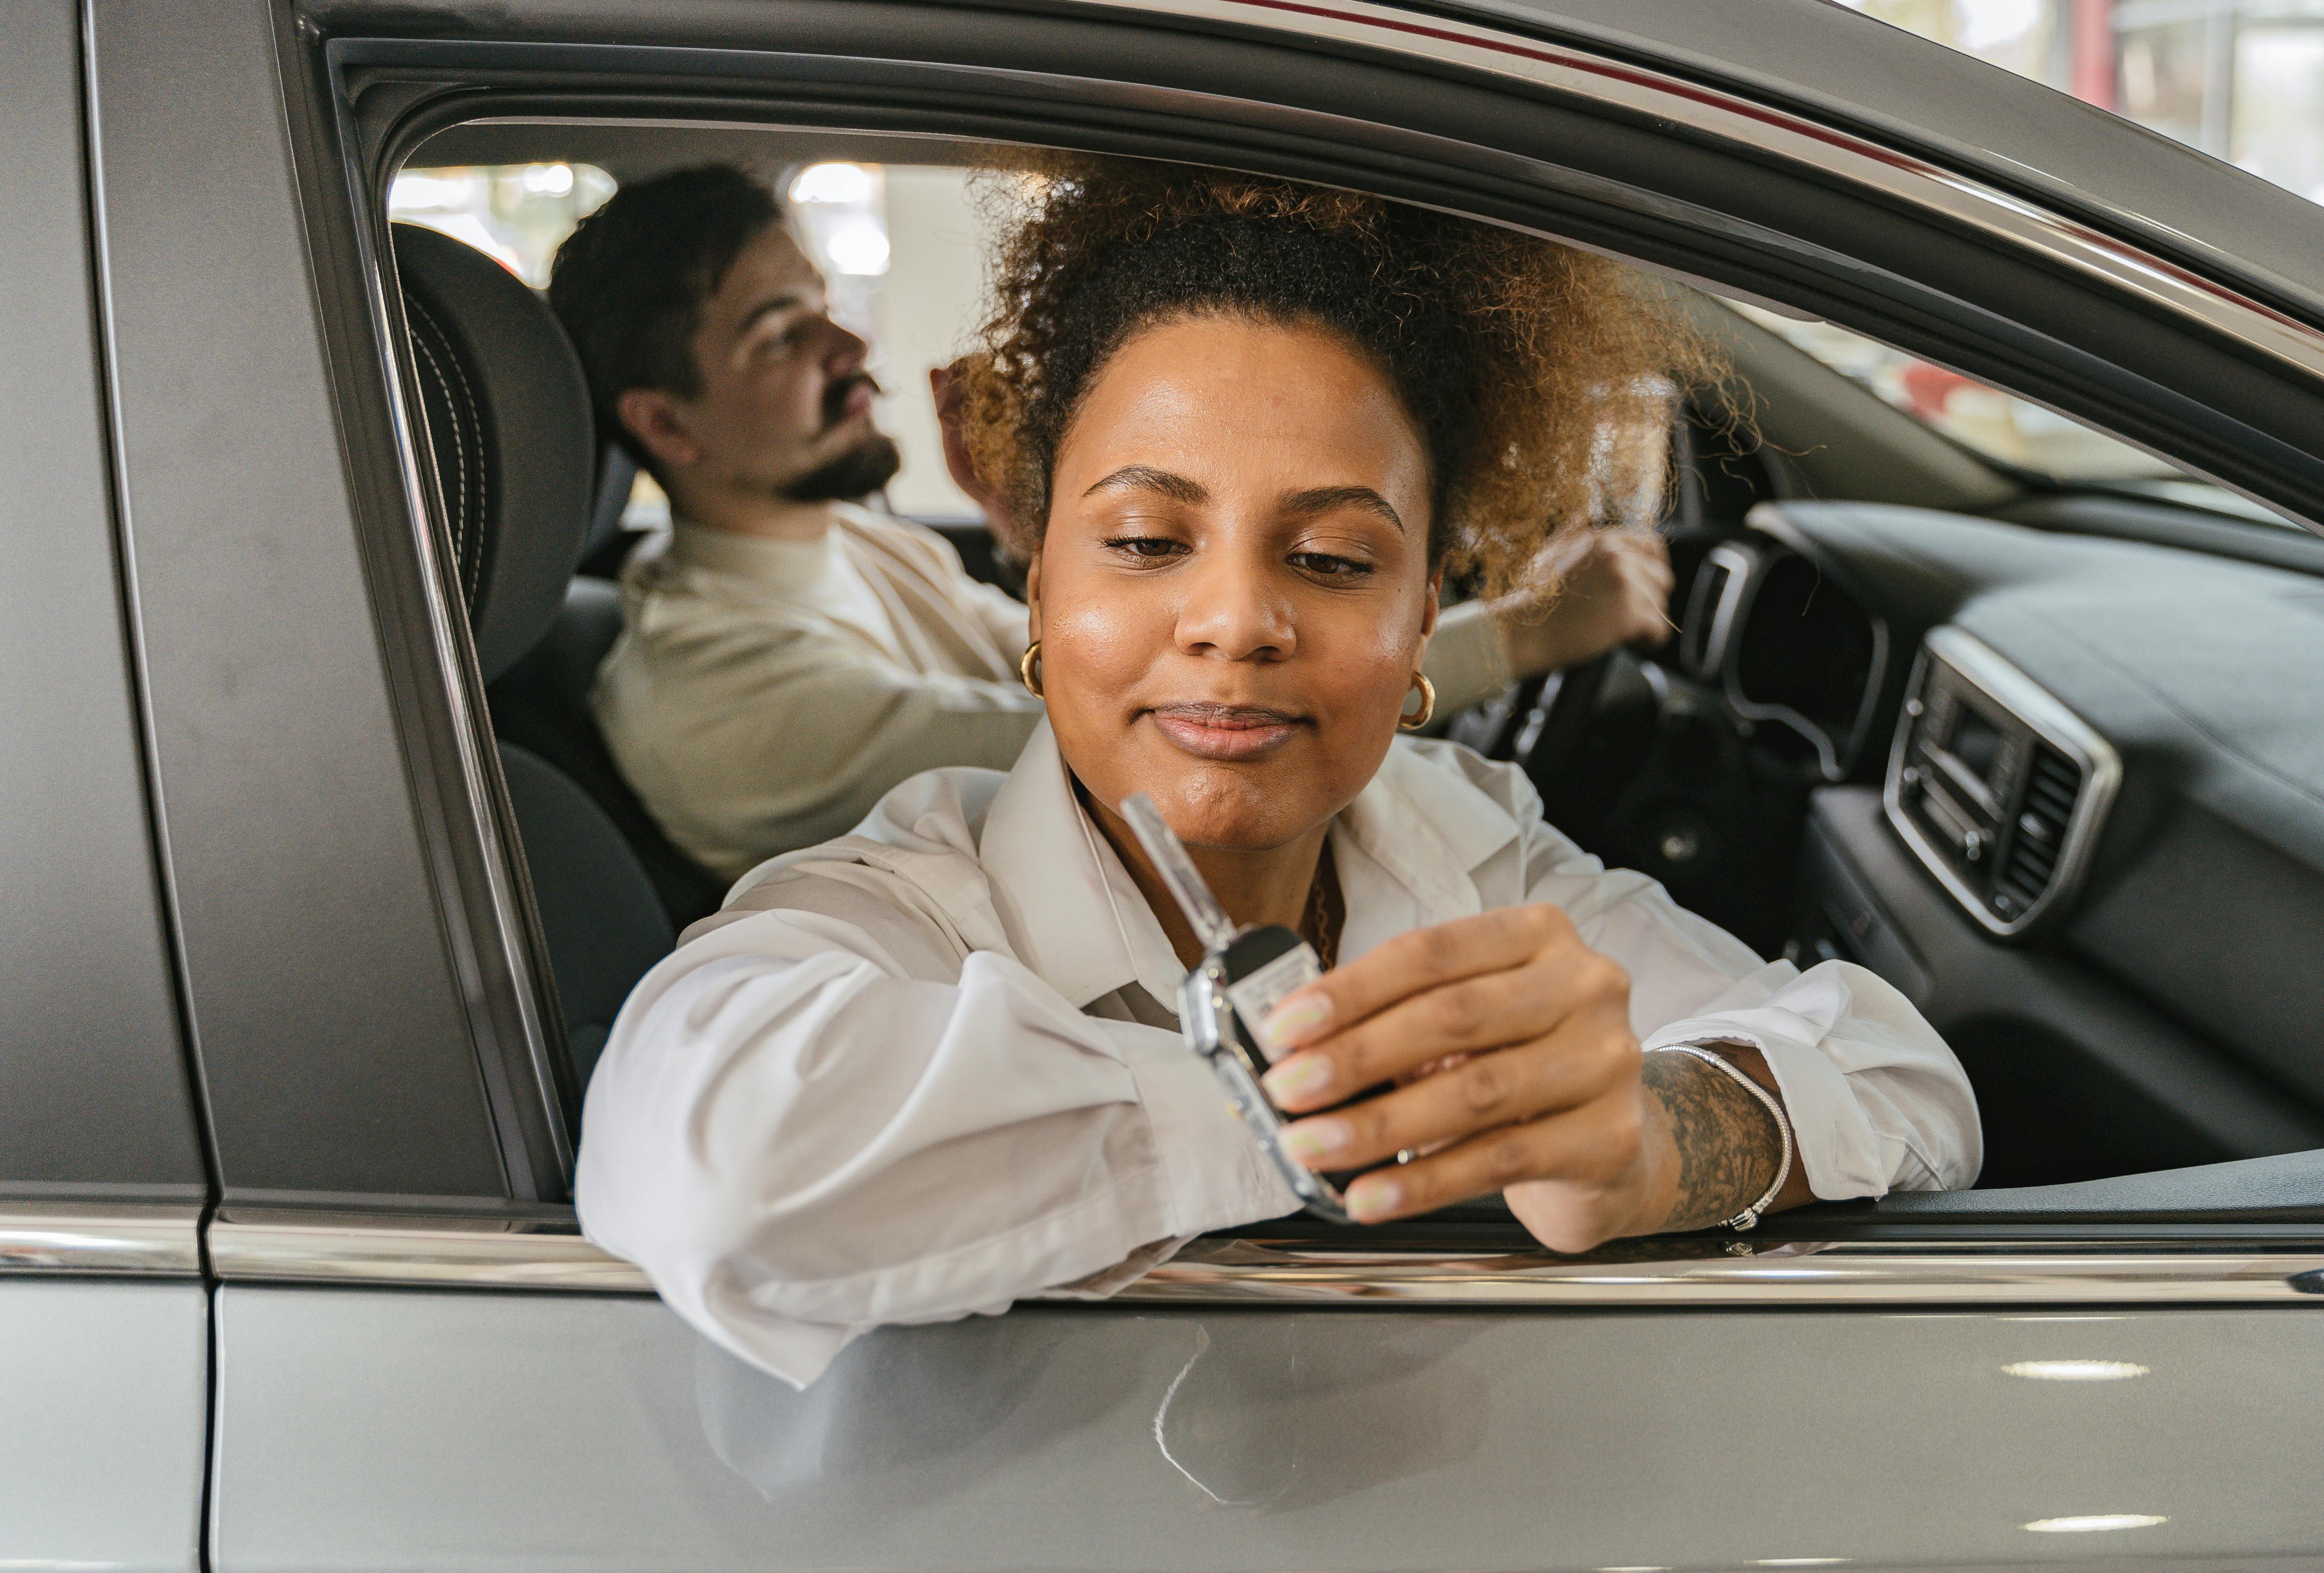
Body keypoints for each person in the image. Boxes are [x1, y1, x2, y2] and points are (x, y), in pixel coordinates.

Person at [575, 156, 1981, 1387]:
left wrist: (1647, 1133)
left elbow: (1906, 1079)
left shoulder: (1465, 840)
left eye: (1329, 559)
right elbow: (716, 1162)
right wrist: (1371, 1117)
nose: (1237, 621)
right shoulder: (899, 903)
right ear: (1037, 581)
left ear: (1425, 607)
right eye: (1141, 541)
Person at [547, 164, 1678, 884]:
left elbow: (1043, 664)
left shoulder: (857, 547)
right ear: (667, 424)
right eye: (781, 335)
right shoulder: (717, 702)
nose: (850, 352)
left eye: (830, 309)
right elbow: (1118, 741)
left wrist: (1038, 531)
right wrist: (1524, 635)